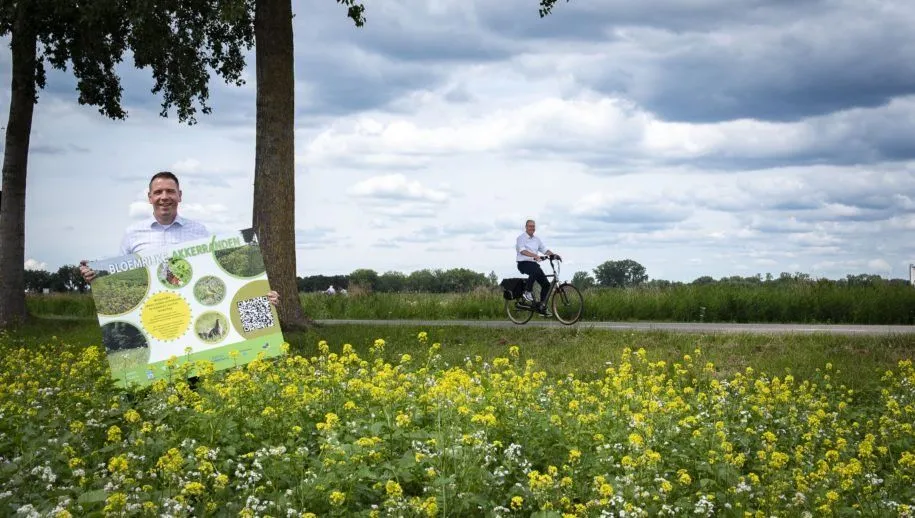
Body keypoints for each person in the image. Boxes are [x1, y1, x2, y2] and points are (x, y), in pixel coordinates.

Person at [79, 171, 279, 306]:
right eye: (158, 192)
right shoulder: (132, 234)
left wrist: (260, 298)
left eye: (170, 191)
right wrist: (95, 276)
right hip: (152, 313)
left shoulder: (199, 232)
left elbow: (216, 276)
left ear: (179, 195)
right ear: (150, 198)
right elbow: (120, 279)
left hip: (190, 311)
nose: (164, 196)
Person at [515, 219, 560, 315]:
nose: (532, 228)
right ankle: (527, 292)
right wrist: (535, 255)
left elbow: (544, 249)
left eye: (533, 226)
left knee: (546, 285)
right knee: (535, 271)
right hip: (523, 263)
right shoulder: (521, 238)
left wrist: (554, 255)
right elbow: (522, 251)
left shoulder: (537, 239)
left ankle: (541, 307)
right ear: (526, 227)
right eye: (530, 226)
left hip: (533, 264)